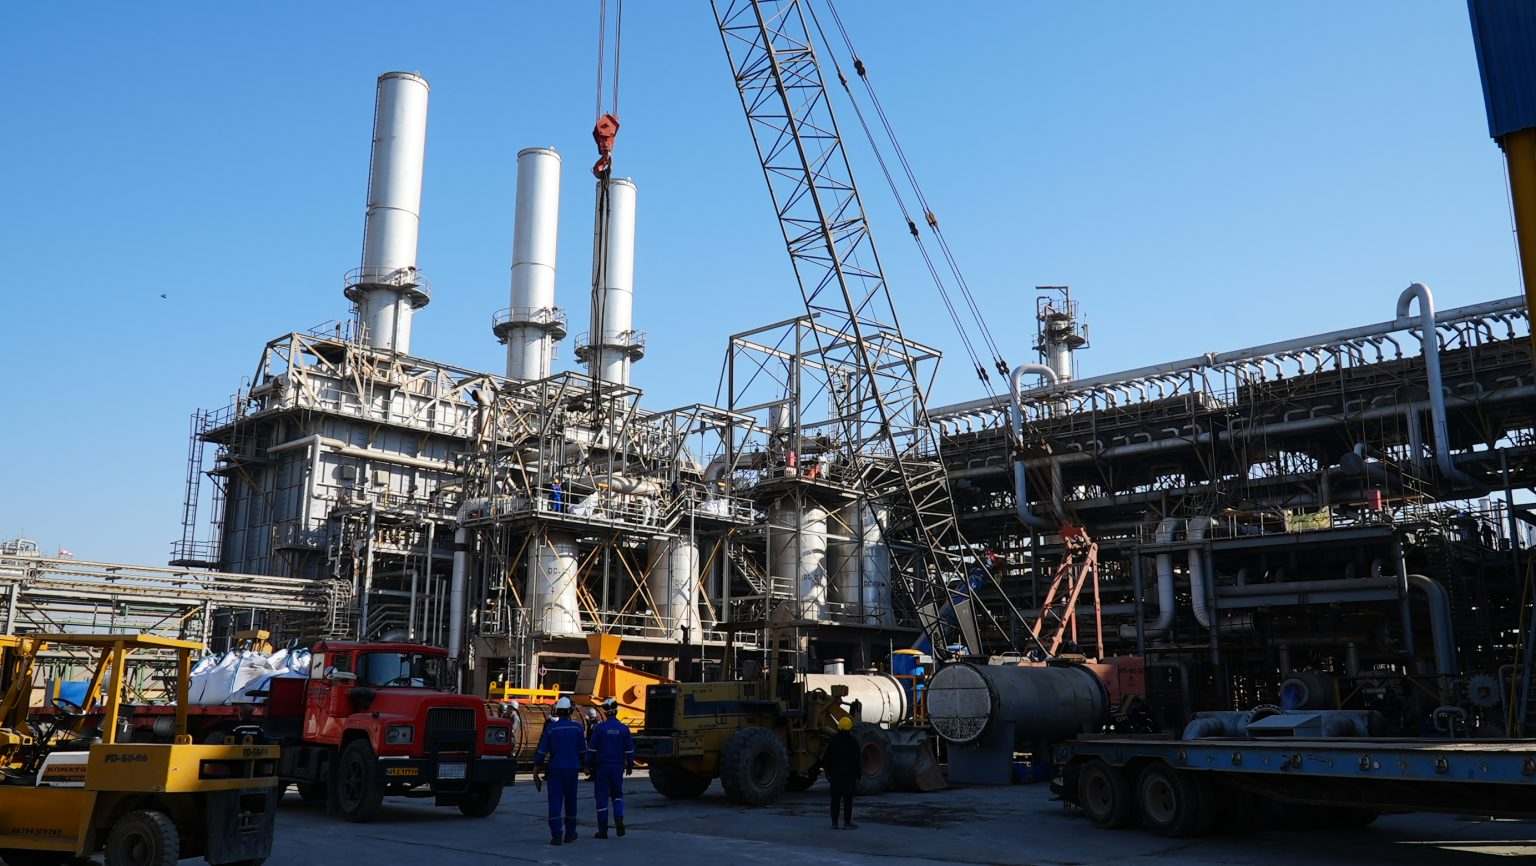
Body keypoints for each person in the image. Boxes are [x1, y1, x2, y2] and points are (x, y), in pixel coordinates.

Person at [532, 697, 585, 845]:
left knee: (555, 802)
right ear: (570, 711)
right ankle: (570, 834)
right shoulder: (577, 728)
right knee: (571, 801)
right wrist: (587, 765)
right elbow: (582, 751)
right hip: (572, 769)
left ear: (557, 711)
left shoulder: (551, 729)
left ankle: (556, 835)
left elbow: (542, 752)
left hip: (555, 769)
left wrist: (536, 769)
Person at [587, 697, 635, 839]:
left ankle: (603, 831)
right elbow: (629, 750)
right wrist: (630, 765)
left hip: (602, 768)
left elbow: (592, 749)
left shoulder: (599, 729)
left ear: (605, 712)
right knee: (617, 795)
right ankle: (619, 820)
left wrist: (587, 764)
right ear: (616, 711)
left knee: (601, 797)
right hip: (617, 767)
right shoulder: (624, 729)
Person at [823, 715, 861, 830]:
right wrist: (858, 775)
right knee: (848, 800)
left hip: (835, 777)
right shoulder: (853, 742)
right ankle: (846, 823)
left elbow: (826, 759)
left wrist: (827, 773)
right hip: (849, 777)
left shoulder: (833, 741)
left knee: (835, 800)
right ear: (849, 728)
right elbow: (857, 760)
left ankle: (834, 823)